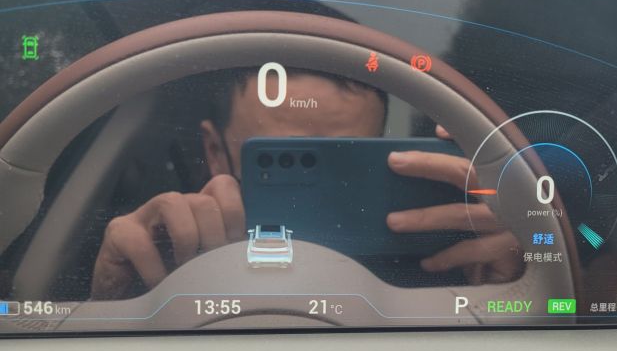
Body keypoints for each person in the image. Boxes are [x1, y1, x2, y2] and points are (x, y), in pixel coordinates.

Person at [91, 67, 521, 299]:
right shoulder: (172, 248)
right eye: (286, 159)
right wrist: (113, 296)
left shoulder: (446, 255)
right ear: (215, 151)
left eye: (349, 157)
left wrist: (514, 282)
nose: (321, 184)